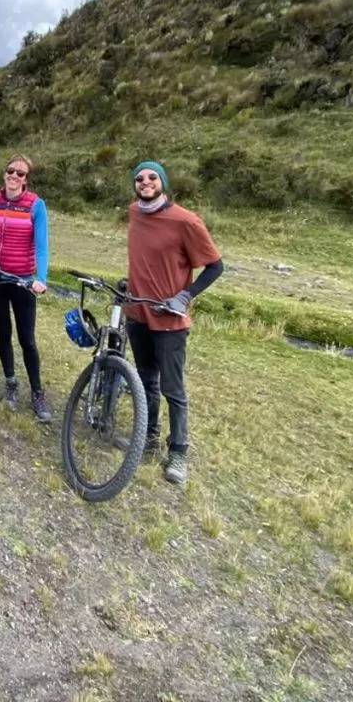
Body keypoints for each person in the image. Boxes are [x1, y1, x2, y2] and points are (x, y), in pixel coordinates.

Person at [123, 160, 224, 485]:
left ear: (163, 182)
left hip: (170, 321)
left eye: (152, 177)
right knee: (145, 381)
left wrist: (186, 295)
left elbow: (215, 266)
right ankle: (148, 442)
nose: (145, 182)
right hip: (137, 314)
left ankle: (178, 451)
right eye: (139, 178)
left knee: (173, 389)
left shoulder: (186, 221)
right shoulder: (134, 212)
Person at [0, 154, 52, 422]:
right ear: (4, 173)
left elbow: (42, 245)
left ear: (26, 179)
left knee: (27, 340)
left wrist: (41, 278)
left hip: (22, 280)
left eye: (20, 173)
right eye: (11, 170)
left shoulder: (36, 205)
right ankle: (10, 383)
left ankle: (37, 392)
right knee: (3, 334)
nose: (14, 176)